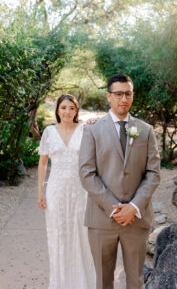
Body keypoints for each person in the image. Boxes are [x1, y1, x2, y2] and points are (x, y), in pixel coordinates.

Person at [79, 74, 160, 289]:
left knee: (136, 280)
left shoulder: (146, 130)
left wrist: (133, 207)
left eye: (128, 94)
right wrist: (114, 208)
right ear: (108, 96)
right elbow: (86, 173)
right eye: (118, 94)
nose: (123, 98)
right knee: (104, 281)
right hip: (101, 219)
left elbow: (153, 173)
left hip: (136, 219)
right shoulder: (92, 130)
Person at [37, 94, 96, 289]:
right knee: (59, 235)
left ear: (77, 110)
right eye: (63, 107)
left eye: (71, 108)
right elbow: (43, 162)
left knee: (80, 235)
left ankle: (81, 283)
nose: (67, 112)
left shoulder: (84, 130)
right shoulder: (49, 132)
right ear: (58, 110)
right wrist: (40, 191)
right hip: (56, 191)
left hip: (79, 191)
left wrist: (96, 125)